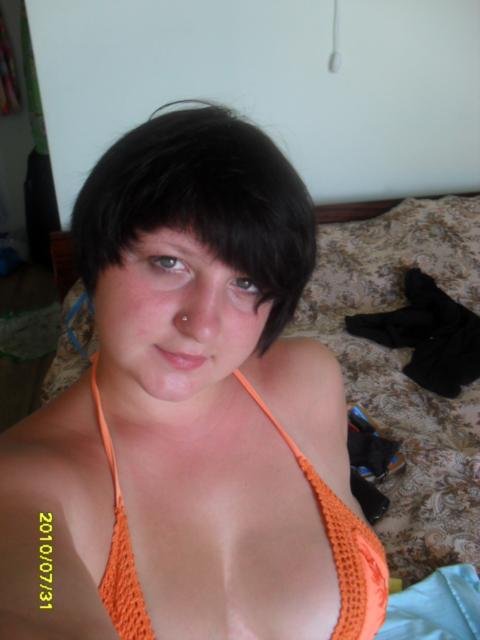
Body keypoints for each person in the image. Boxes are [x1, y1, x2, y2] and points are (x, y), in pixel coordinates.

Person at [0, 101, 388, 639]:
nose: (203, 325)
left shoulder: (309, 381)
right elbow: (36, 598)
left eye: (246, 283)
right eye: (169, 262)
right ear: (96, 261)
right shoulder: (29, 491)